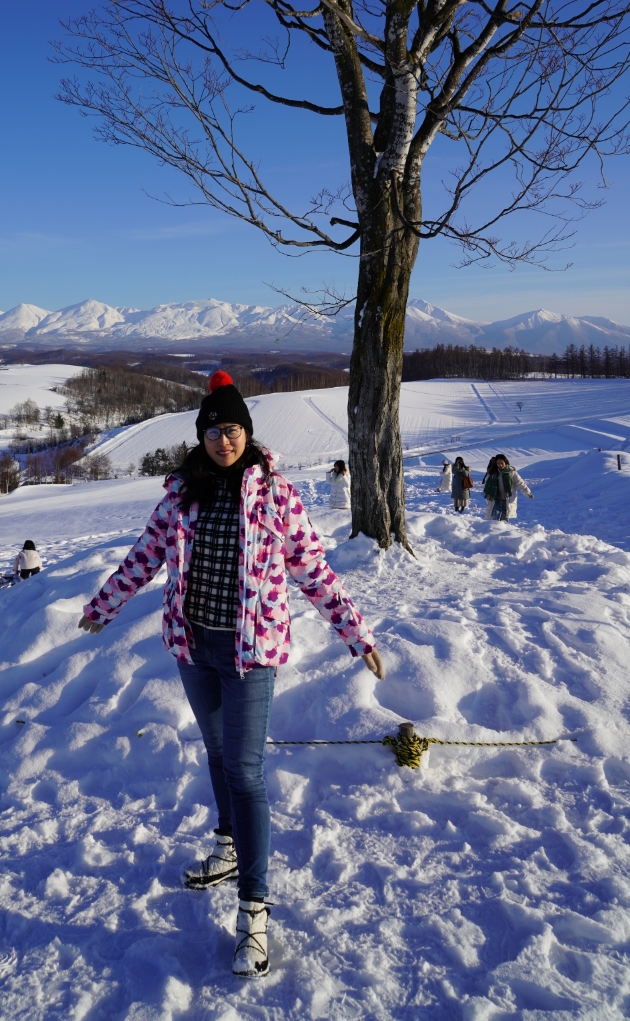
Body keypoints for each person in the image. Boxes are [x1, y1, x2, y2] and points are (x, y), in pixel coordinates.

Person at [79, 371, 383, 979]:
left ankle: (253, 912)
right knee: (217, 753)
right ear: (202, 434)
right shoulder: (181, 493)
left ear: (248, 432)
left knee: (245, 771)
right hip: (193, 647)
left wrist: (355, 632)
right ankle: (226, 845)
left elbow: (314, 571)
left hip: (252, 651)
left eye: (234, 428)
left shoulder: (276, 494)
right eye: (215, 430)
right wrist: (105, 604)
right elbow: (145, 554)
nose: (225, 440)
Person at [482, 454, 534, 521]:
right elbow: (486, 484)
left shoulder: (512, 473)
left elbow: (520, 483)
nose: (500, 465)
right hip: (496, 499)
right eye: (498, 463)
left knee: (504, 519)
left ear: (505, 462)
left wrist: (528, 493)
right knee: (495, 518)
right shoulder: (492, 473)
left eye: (502, 463)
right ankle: (494, 530)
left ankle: (504, 531)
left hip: (507, 500)